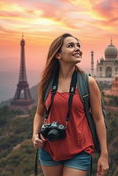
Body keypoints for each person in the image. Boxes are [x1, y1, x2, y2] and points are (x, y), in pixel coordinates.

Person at [32, 33, 109, 176]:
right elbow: (40, 113)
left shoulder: (88, 82)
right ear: (58, 55)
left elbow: (99, 119)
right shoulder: (47, 83)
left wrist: (104, 155)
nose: (77, 48)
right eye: (71, 45)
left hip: (79, 150)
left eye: (78, 45)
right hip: (50, 148)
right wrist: (35, 135)